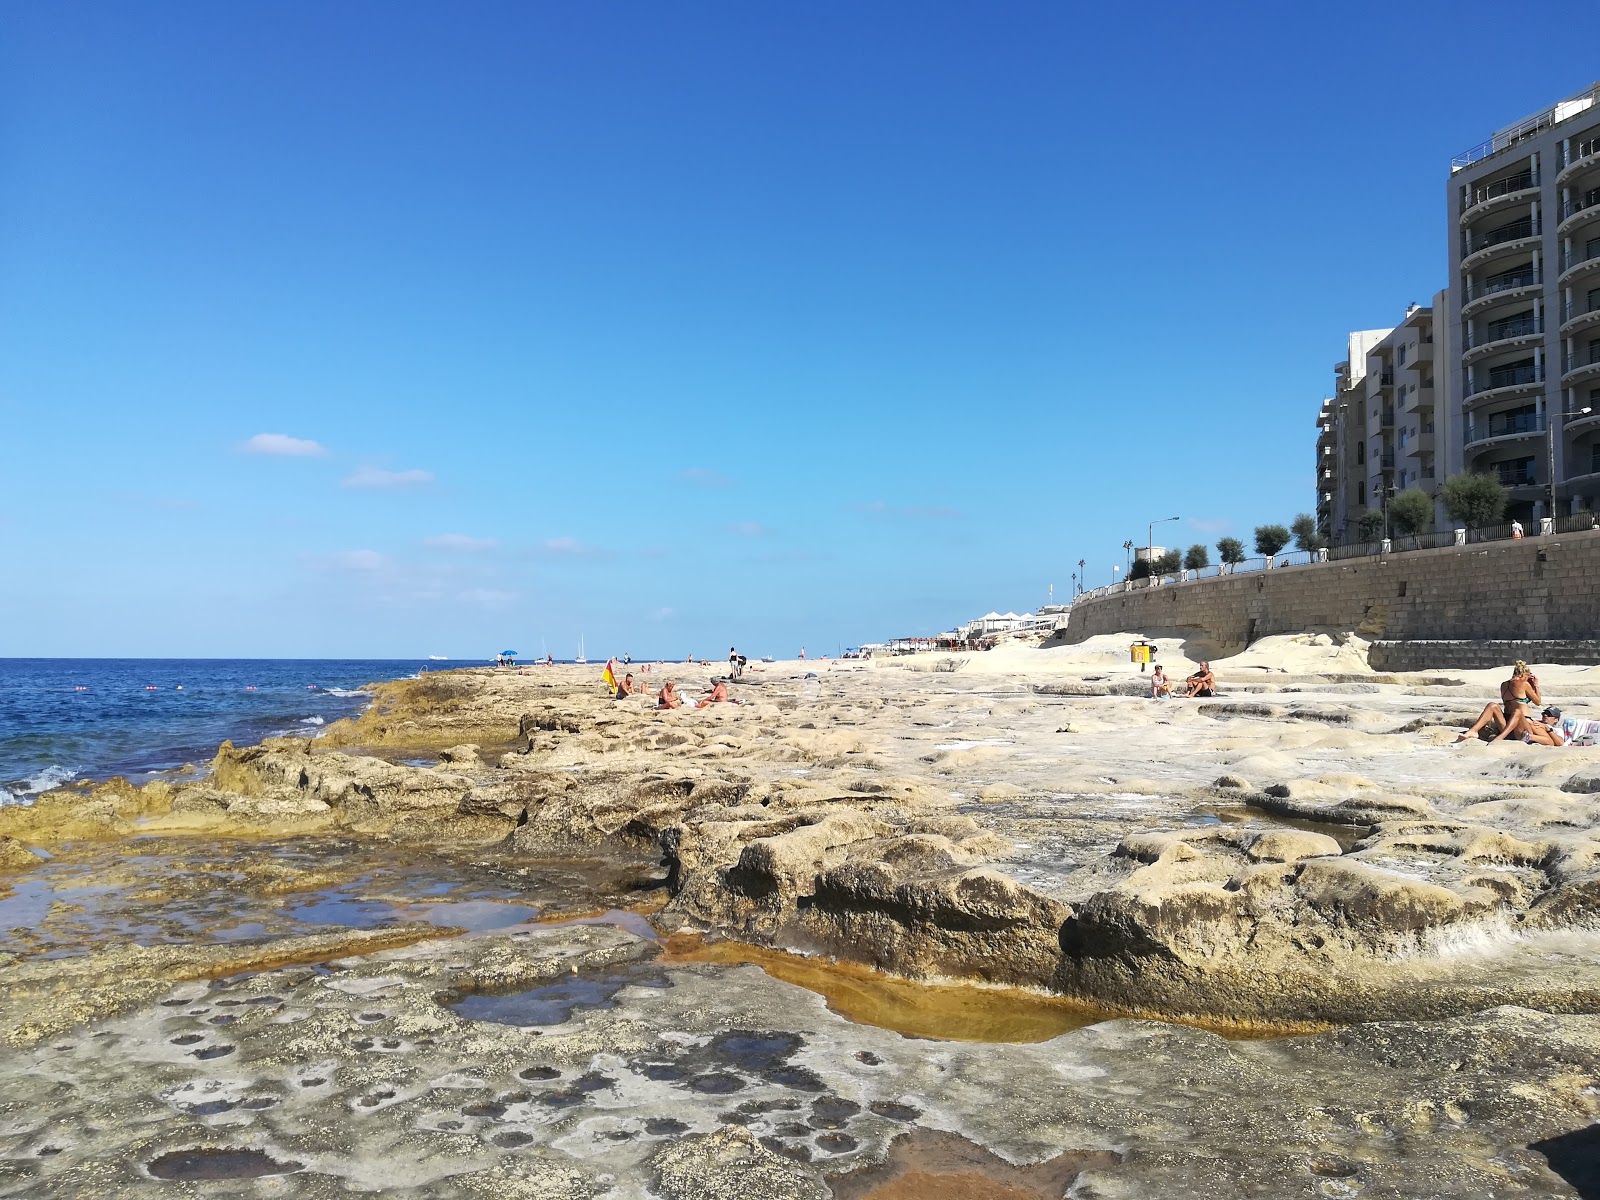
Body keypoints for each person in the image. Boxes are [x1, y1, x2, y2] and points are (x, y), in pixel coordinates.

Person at [1456, 661, 1542, 743]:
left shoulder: (1504, 685)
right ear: (1524, 674)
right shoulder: (1524, 684)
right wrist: (1536, 685)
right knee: (1518, 712)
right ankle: (1499, 737)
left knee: (1492, 705)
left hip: (1506, 724)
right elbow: (1538, 702)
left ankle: (1473, 731)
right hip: (1520, 726)